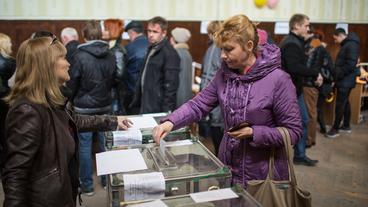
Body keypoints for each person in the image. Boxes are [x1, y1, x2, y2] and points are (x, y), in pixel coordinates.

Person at [153, 14, 302, 188]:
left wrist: (254, 133)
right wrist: (170, 122)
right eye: (221, 49)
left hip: (263, 176)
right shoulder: (224, 75)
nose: (222, 56)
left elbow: (293, 132)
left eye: (229, 49)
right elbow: (198, 104)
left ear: (249, 46)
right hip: (229, 167)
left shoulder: (278, 80)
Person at [1, 36, 131, 207]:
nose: (68, 63)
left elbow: (73, 121)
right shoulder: (27, 111)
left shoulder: (50, 101)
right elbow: (15, 175)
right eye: (62, 58)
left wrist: (112, 121)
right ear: (46, 65)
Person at [66, 20, 117, 195]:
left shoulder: (79, 56)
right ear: (100, 34)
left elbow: (72, 82)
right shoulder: (110, 54)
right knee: (105, 146)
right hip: (105, 104)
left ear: (84, 35)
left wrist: (69, 101)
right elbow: (115, 79)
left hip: (83, 107)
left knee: (85, 147)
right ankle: (105, 182)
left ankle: (87, 186)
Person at [279, 14, 320, 166]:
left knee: (303, 121)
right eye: (306, 25)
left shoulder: (295, 41)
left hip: (295, 90)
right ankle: (293, 156)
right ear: (296, 26)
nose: (308, 28)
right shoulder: (291, 43)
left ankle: (299, 155)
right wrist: (315, 72)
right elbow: (294, 67)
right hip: (289, 92)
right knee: (297, 123)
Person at [130, 16, 180, 114]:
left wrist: (167, 112)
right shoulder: (152, 48)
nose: (151, 35)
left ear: (164, 33)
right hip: (146, 103)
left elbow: (171, 85)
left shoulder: (169, 53)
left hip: (157, 107)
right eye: (149, 31)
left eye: (155, 32)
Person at [326, 28, 360, 138]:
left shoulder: (351, 45)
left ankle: (335, 129)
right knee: (345, 103)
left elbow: (350, 65)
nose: (335, 41)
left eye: (336, 39)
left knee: (340, 105)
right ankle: (346, 126)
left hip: (345, 80)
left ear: (340, 35)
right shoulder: (349, 44)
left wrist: (338, 74)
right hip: (345, 79)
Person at [199, 20, 223, 155]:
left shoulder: (213, 47)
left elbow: (208, 73)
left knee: (216, 124)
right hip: (218, 91)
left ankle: (219, 157)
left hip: (214, 92)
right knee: (218, 125)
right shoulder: (218, 47)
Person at [123, 21, 149, 114]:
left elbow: (122, 71)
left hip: (132, 92)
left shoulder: (128, 48)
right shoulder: (152, 45)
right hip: (149, 92)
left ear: (132, 33)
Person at [103, 19, 128, 115]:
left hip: (115, 93)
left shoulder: (117, 50)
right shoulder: (111, 47)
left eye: (105, 28)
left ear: (111, 30)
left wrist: (106, 81)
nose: (103, 31)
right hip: (111, 93)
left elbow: (120, 74)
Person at [0, 33, 16, 168]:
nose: (11, 45)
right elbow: (13, 84)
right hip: (5, 100)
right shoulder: (10, 62)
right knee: (6, 134)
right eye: (9, 43)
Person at [170, 27, 193, 107]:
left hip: (178, 96)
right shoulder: (187, 53)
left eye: (172, 37)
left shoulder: (176, 53)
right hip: (186, 95)